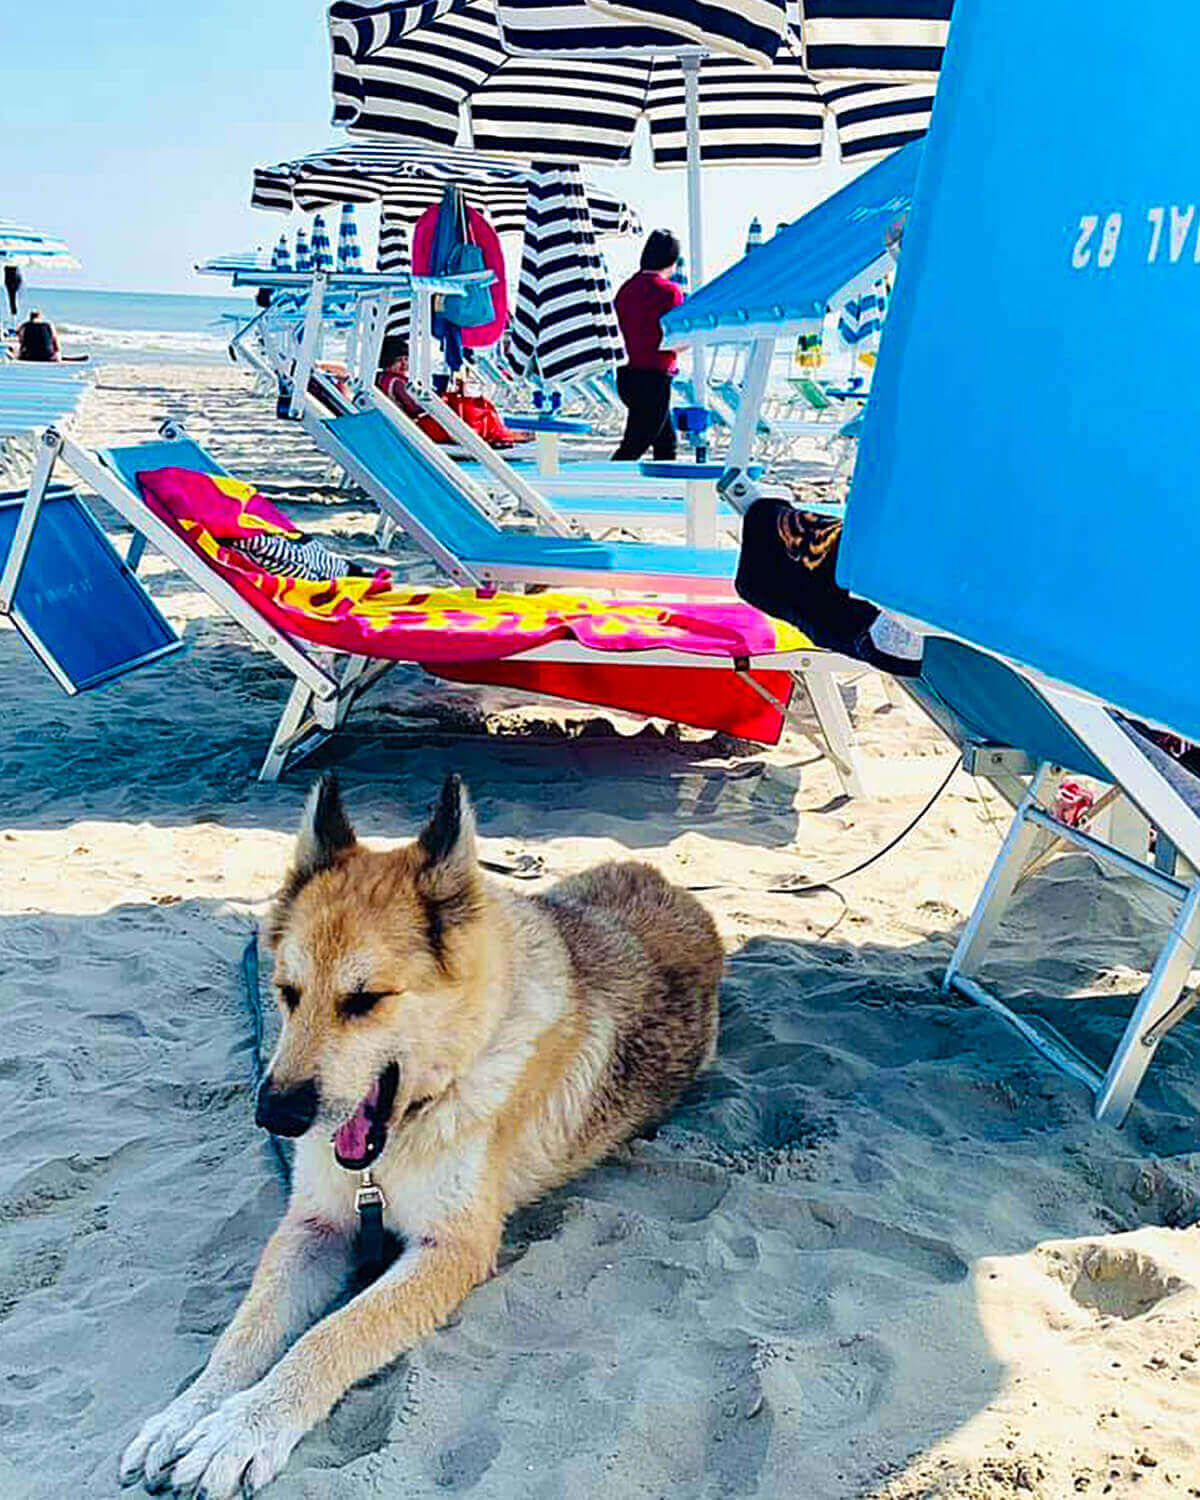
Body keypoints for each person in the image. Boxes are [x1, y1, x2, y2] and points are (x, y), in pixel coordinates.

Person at [612, 229, 685, 462]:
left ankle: (665, 494)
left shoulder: (625, 289)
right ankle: (605, 488)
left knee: (666, 442)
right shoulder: (669, 292)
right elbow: (674, 338)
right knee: (634, 446)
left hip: (626, 375)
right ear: (671, 260)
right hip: (654, 377)